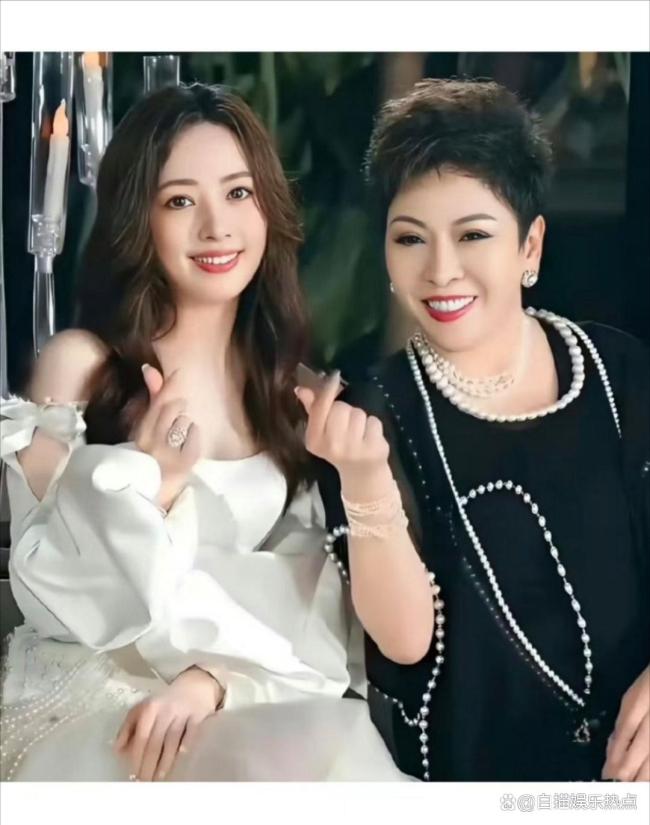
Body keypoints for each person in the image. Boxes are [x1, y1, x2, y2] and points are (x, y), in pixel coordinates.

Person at [0, 83, 408, 782]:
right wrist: (153, 487)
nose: (217, 227)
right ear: (139, 219)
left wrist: (214, 680)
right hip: (92, 697)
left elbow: (306, 593)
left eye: (239, 193)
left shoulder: (288, 392)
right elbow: (49, 592)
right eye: (181, 201)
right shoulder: (82, 366)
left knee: (329, 744)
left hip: (236, 696)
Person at [296, 78, 650, 782]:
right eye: (410, 238)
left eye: (473, 235)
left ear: (530, 247)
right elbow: (404, 643)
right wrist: (363, 480)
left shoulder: (619, 372)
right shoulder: (371, 414)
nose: (441, 270)